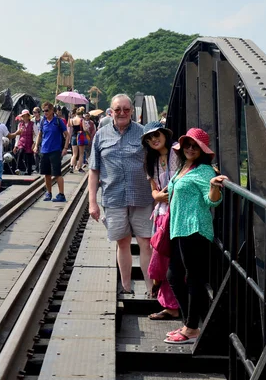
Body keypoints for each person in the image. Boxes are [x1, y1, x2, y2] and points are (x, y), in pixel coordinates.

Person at [164, 128, 228, 345]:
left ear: (202, 150)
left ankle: (191, 328)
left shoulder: (204, 172)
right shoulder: (183, 167)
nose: (190, 148)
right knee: (173, 276)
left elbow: (213, 202)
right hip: (179, 228)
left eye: (195, 146)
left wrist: (213, 187)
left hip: (195, 229)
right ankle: (189, 323)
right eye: (187, 145)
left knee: (193, 278)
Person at [88, 94, 154, 295]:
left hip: (142, 196)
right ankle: (126, 287)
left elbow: (155, 164)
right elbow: (93, 170)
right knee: (122, 242)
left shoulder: (143, 134)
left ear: (132, 111)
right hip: (114, 197)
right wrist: (92, 202)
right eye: (118, 110)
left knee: (146, 242)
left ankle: (151, 288)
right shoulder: (101, 135)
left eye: (126, 109)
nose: (122, 113)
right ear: (111, 111)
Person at [140, 121, 183, 320]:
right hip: (162, 214)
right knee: (163, 256)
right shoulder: (151, 160)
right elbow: (153, 189)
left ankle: (174, 303)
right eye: (149, 138)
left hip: (180, 213)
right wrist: (156, 195)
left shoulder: (178, 151)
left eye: (156, 135)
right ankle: (170, 305)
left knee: (172, 260)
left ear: (165, 134)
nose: (153, 140)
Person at [34, 101, 70, 202]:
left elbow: (67, 135)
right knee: (46, 174)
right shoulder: (43, 121)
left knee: (57, 173)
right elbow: (40, 135)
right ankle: (48, 193)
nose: (45, 112)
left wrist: (65, 148)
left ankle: (61, 194)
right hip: (44, 150)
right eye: (43, 111)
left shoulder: (58, 121)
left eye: (46, 110)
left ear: (51, 111)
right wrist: (36, 146)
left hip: (55, 150)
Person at [13, 109, 35, 175]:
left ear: (28, 116)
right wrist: (15, 145)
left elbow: (36, 134)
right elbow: (17, 135)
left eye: (26, 116)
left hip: (29, 142)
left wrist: (34, 143)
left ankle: (28, 171)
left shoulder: (32, 124)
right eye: (23, 116)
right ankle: (18, 168)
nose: (25, 118)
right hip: (22, 142)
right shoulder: (20, 125)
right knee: (20, 152)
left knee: (29, 157)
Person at [68, 107, 86, 173]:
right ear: (82, 113)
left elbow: (69, 126)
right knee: (81, 154)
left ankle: (71, 166)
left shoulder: (71, 120)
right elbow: (85, 129)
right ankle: (79, 167)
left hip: (73, 137)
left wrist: (69, 117)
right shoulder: (82, 120)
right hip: (80, 137)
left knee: (74, 154)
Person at [32, 107, 42, 173]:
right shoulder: (32, 120)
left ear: (39, 113)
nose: (34, 113)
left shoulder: (43, 119)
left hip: (42, 138)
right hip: (35, 138)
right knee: (35, 154)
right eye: (33, 112)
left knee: (41, 153)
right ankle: (37, 168)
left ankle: (41, 168)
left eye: (35, 112)